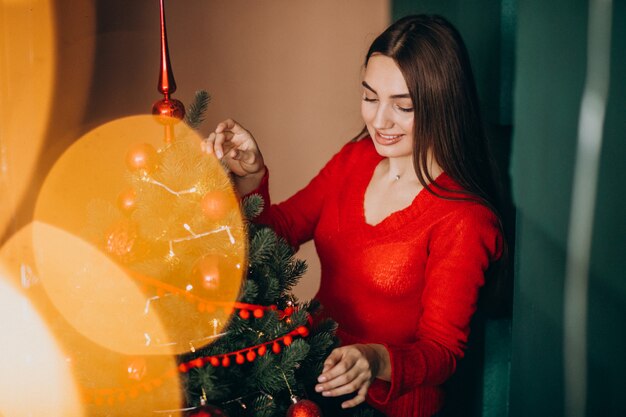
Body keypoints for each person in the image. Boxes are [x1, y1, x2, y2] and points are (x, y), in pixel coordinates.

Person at [204, 14, 505, 417]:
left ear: (443, 104)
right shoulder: (355, 159)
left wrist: (375, 359)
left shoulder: (464, 218)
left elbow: (443, 351)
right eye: (370, 97)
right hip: (305, 375)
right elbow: (276, 236)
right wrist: (251, 178)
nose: (379, 121)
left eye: (404, 106)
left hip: (383, 405)